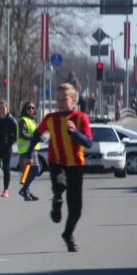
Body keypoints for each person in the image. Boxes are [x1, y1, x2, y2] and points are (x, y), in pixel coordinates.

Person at [28, 83, 93, 252]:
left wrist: (75, 133)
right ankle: (56, 201)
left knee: (76, 208)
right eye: (58, 99)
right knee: (59, 185)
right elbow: (37, 134)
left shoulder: (81, 118)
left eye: (65, 99)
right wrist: (28, 154)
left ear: (73, 100)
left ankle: (68, 234)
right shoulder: (50, 118)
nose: (61, 103)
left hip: (76, 165)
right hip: (57, 162)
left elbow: (88, 143)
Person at [15, 102, 42, 201]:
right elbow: (22, 134)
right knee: (35, 170)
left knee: (27, 172)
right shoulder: (23, 120)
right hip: (26, 151)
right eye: (28, 108)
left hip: (32, 149)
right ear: (25, 109)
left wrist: (40, 137)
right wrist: (34, 137)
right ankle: (24, 190)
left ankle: (26, 193)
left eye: (33, 108)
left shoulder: (32, 120)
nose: (31, 109)